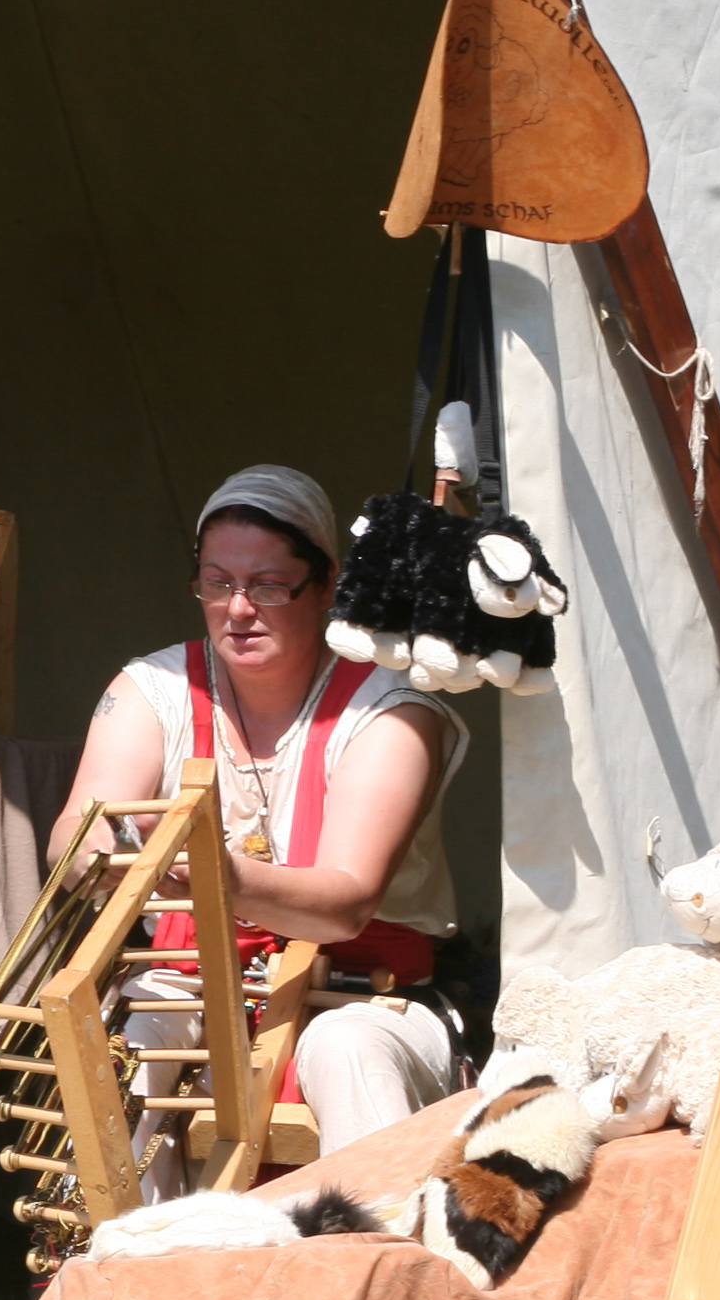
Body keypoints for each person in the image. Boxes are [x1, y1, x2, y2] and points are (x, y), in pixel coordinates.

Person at [47, 464, 468, 1160]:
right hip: (189, 986)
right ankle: (125, 1229)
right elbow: (77, 832)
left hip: (367, 996)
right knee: (121, 1051)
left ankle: (376, 1232)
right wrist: (107, 851)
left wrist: (222, 876)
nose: (237, 609)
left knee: (347, 1048)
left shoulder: (393, 707)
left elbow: (346, 904)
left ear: (327, 584)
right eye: (217, 584)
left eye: (268, 586)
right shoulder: (151, 688)